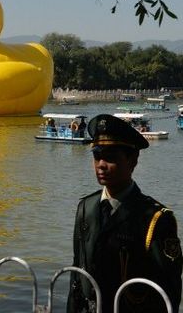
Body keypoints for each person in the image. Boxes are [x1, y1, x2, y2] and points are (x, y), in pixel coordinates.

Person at [67, 114, 182, 313]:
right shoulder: (86, 207)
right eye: (97, 156)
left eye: (111, 157)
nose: (101, 164)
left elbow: (168, 290)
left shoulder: (155, 218)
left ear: (133, 160)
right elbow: (77, 276)